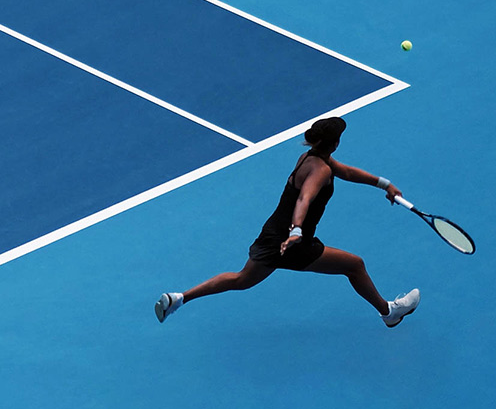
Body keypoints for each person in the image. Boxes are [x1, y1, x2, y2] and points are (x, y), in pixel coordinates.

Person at [154, 117, 420, 327]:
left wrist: (385, 185)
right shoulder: (321, 170)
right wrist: (296, 232)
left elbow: (348, 172)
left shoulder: (311, 158)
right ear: (335, 143)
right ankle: (389, 312)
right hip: (293, 241)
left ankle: (179, 298)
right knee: (355, 265)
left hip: (271, 235)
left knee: (241, 279)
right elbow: (304, 199)